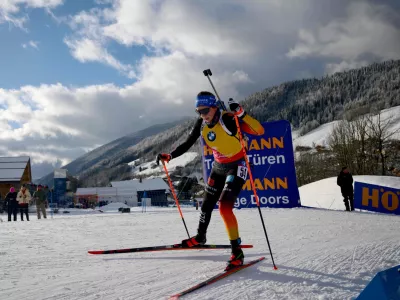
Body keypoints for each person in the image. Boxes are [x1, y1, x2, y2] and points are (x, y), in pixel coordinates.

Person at [156, 91, 265, 270]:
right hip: (218, 167)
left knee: (224, 207)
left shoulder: (228, 119)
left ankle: (236, 252)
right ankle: (200, 237)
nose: (202, 115)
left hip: (237, 164)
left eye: (205, 110)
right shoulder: (202, 123)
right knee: (207, 204)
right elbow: (189, 141)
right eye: (198, 111)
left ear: (214, 107)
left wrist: (242, 114)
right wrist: (171, 155)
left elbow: (259, 130)